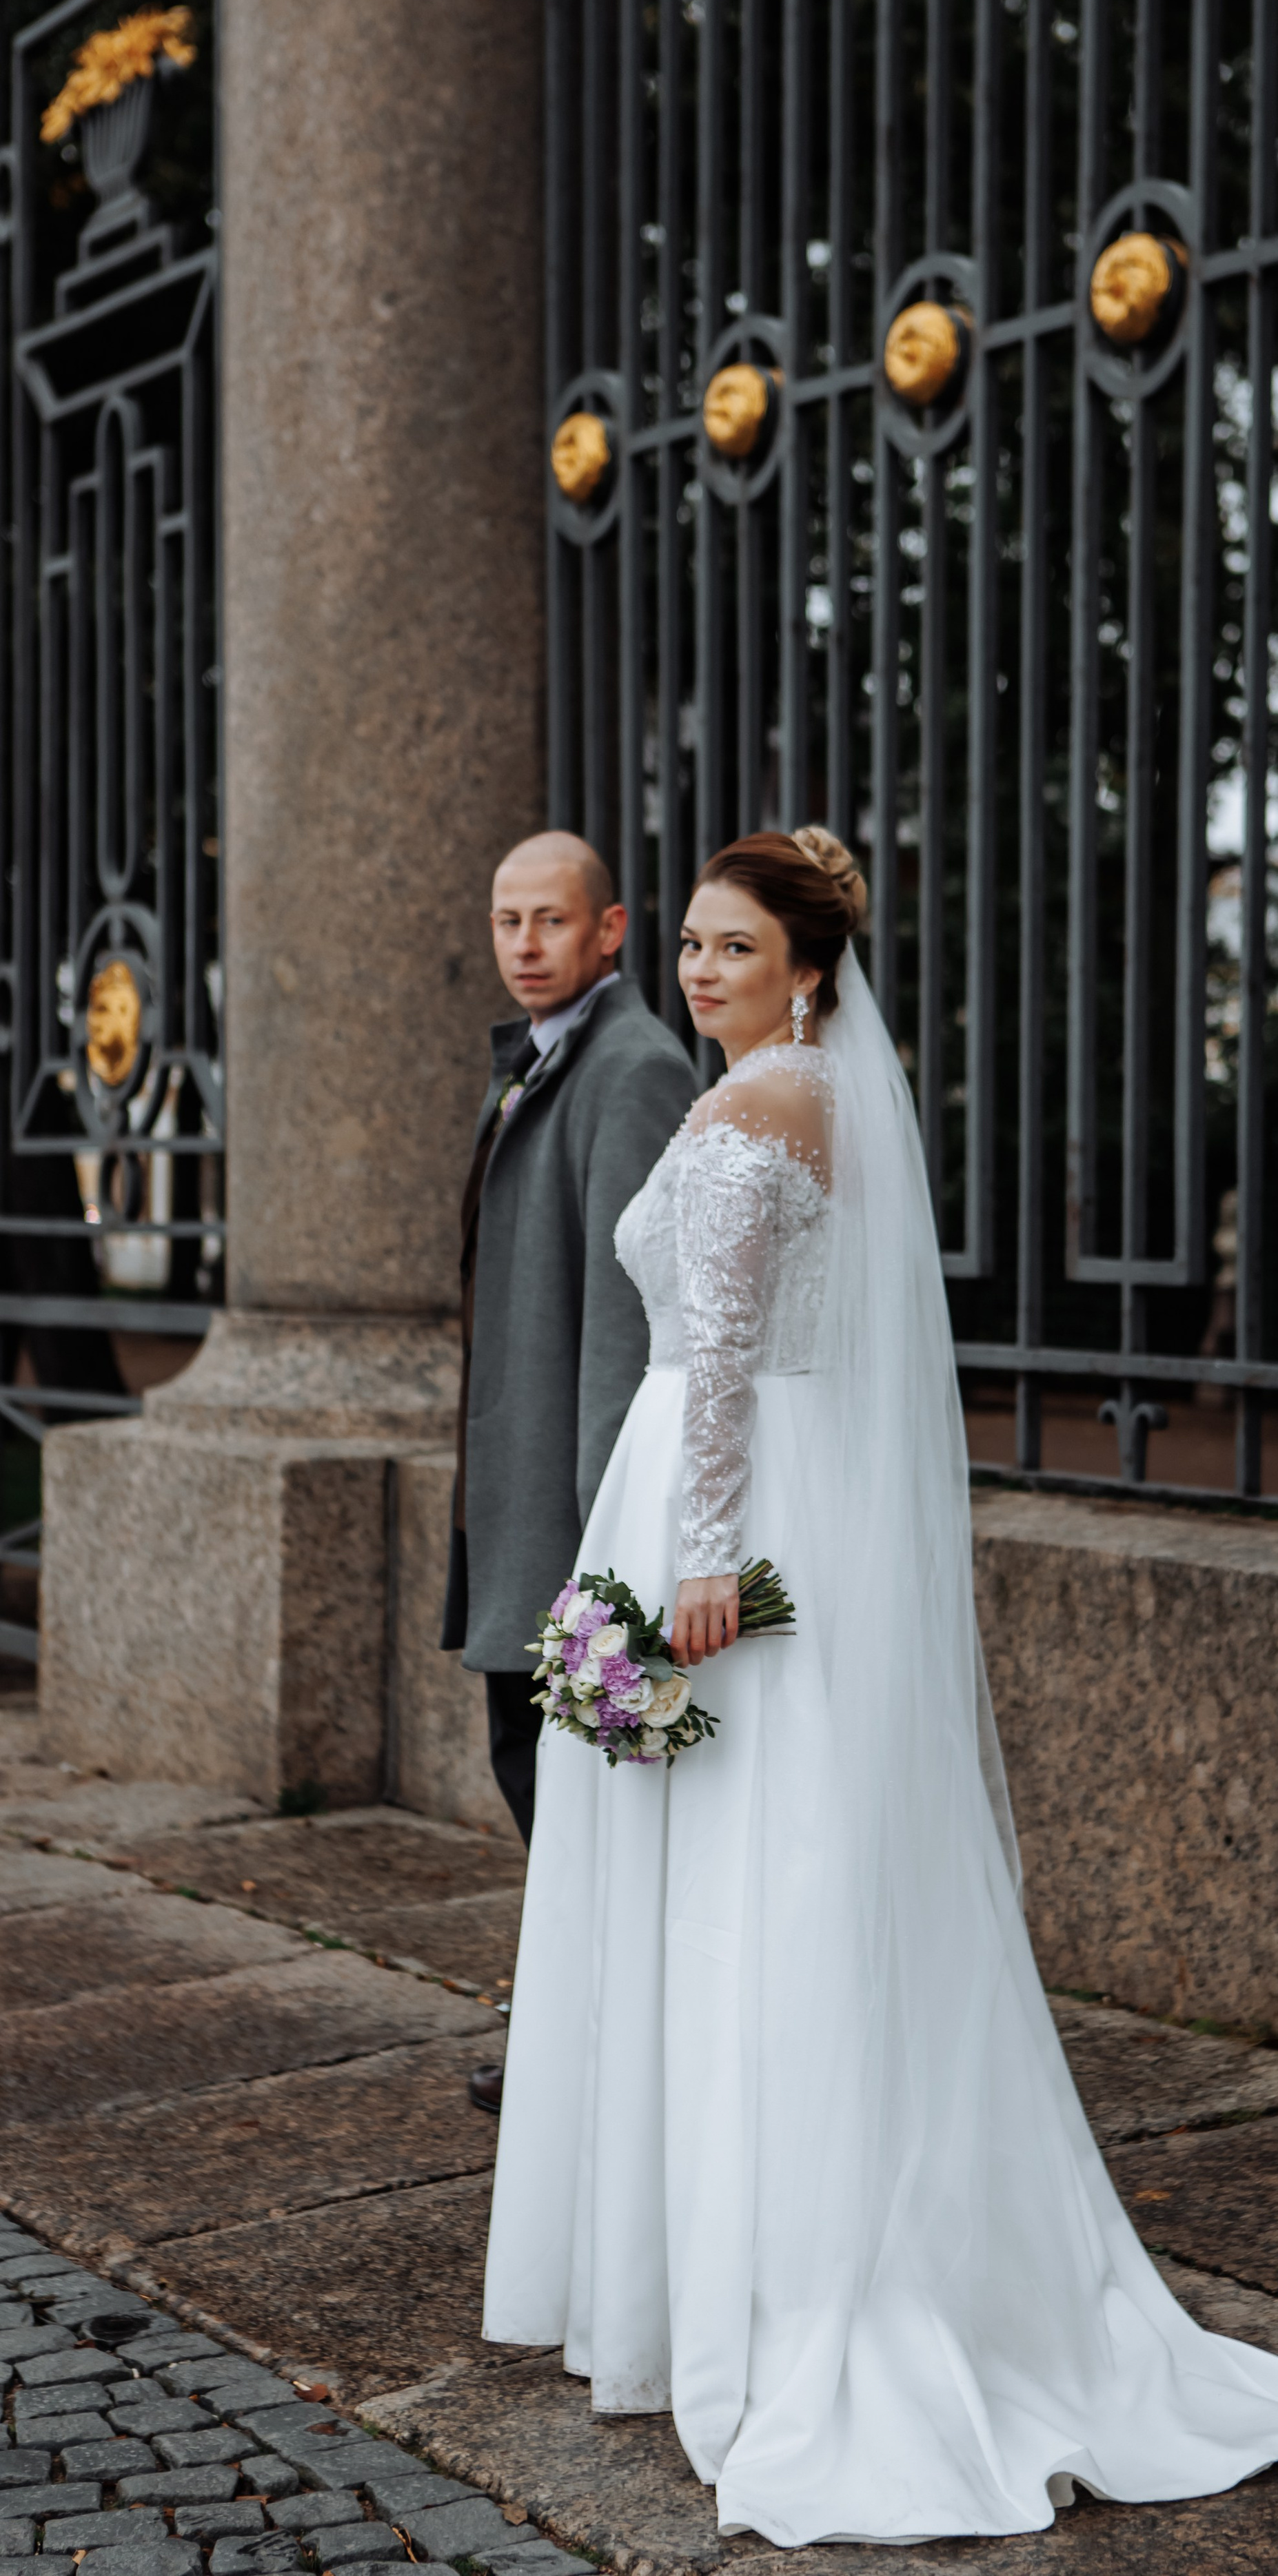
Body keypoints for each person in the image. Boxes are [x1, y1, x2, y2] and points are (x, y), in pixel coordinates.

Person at [483, 827, 1278, 2545]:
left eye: (733, 949)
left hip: (716, 1518)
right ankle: (704, 2274)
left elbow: (730, 1361)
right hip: (683, 1492)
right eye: (684, 944)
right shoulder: (774, 1090)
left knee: (757, 1892)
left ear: (807, 969)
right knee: (742, 1884)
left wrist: (701, 1567)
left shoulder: (762, 1109)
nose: (697, 971)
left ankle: (783, 2289)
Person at [442, 830, 695, 2114]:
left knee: (591, 1800)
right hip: (518, 1501)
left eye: (551, 921)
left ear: (612, 931)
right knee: (543, 1784)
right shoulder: (544, 1058)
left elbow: (628, 1323)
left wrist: (610, 1552)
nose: (525, 944)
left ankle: (604, 2061)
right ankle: (582, 2042)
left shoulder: (634, 1070)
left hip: (575, 1527)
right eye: (507, 920)